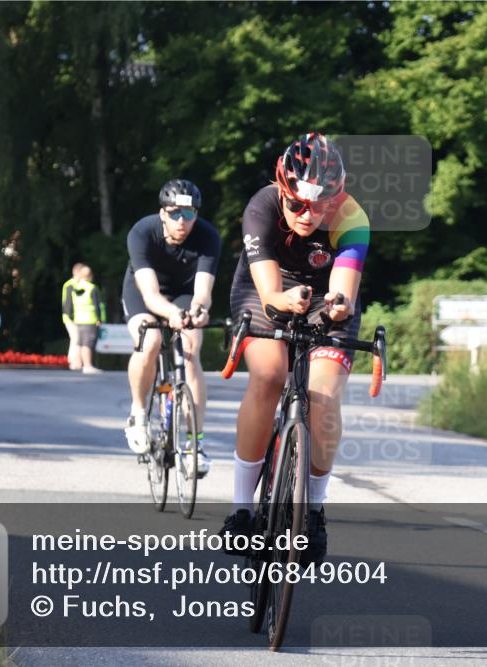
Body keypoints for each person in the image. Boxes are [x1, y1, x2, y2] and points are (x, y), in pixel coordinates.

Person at [219, 132, 370, 566]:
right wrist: (284, 301)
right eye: (298, 204)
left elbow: (343, 290)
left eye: (321, 205)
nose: (308, 216)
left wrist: (337, 308)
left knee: (323, 398)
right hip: (266, 288)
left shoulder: (351, 217)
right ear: (282, 191)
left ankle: (315, 511)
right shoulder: (262, 207)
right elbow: (268, 293)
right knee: (268, 376)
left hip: (326, 298)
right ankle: (241, 510)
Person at [122, 179, 222, 478]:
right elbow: (151, 294)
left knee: (191, 349)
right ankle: (139, 414)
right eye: (175, 213)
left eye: (189, 214)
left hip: (184, 293)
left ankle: (195, 444)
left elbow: (203, 292)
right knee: (150, 341)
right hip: (144, 292)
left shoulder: (207, 237)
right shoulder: (142, 232)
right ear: (162, 213)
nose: (182, 221)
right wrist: (171, 314)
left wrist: (198, 311)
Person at [65, 265, 104, 374]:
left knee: (81, 343)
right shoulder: (92, 288)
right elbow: (97, 306)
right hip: (90, 319)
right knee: (88, 344)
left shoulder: (75, 287)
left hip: (79, 319)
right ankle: (87, 365)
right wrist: (99, 318)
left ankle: (79, 363)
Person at [62, 263, 86, 370]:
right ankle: (74, 362)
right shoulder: (70, 285)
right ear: (77, 272)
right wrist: (71, 316)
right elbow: (68, 303)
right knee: (76, 339)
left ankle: (76, 362)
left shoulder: (76, 284)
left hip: (76, 317)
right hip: (71, 318)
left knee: (76, 339)